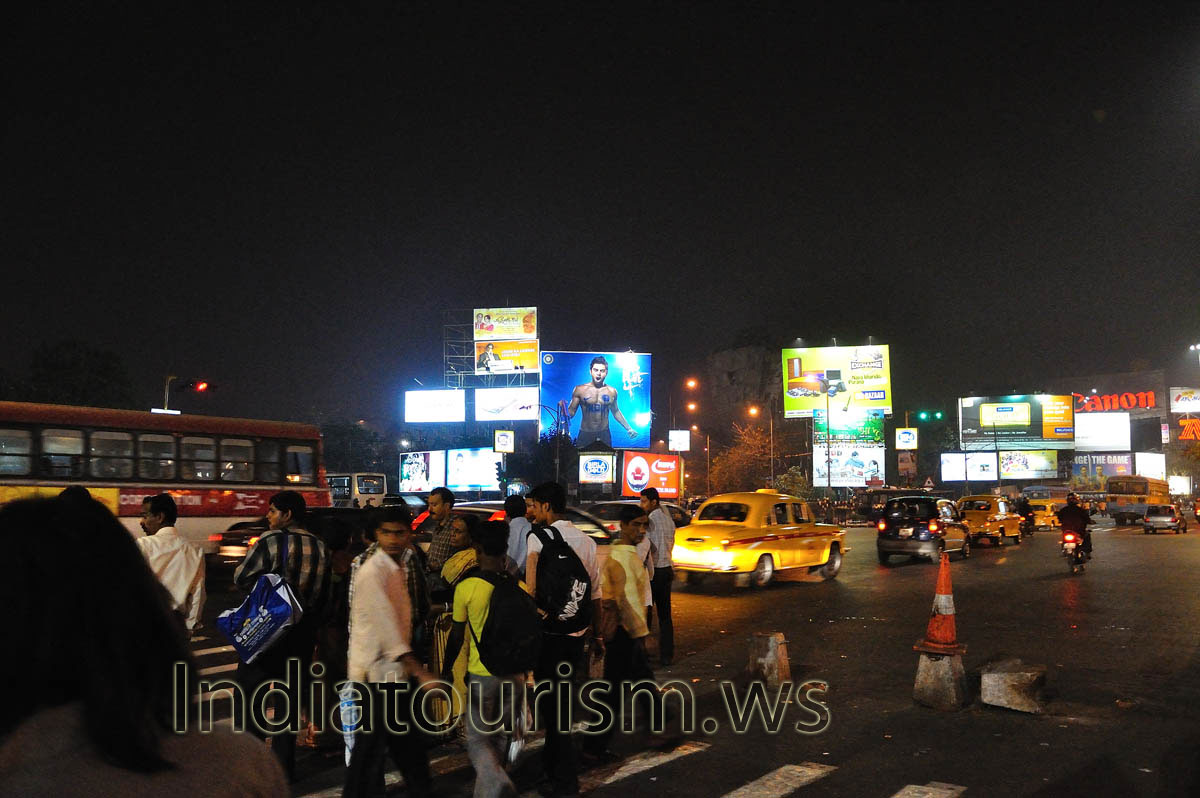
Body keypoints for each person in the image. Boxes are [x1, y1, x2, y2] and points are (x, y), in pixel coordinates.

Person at [0, 496, 287, 796]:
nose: (140, 520)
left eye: (145, 515)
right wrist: (186, 629)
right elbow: (197, 598)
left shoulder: (20, 774)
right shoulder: (242, 763)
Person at [234, 490, 332, 781]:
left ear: (287, 515)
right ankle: (283, 771)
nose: (268, 515)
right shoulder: (321, 547)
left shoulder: (269, 540)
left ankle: (251, 769)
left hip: (264, 634)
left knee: (251, 702)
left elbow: (241, 578)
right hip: (301, 636)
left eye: (273, 510)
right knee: (288, 706)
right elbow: (325, 598)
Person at [344, 506, 436, 798]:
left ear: (409, 534)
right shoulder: (373, 571)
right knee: (372, 753)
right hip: (377, 676)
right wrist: (419, 670)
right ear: (375, 534)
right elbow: (385, 624)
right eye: (386, 532)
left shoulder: (399, 566)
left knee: (402, 747)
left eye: (399, 532)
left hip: (393, 674)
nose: (393, 538)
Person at [441, 520, 533, 798]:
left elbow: (457, 636)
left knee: (478, 740)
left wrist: (446, 671)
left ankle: (498, 782)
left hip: (483, 675)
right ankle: (488, 792)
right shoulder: (520, 587)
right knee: (501, 736)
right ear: (504, 551)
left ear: (477, 549)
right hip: (514, 675)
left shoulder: (467, 588)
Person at [525, 481, 602, 798]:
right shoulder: (586, 541)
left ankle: (562, 777)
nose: (531, 511)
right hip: (575, 635)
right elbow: (595, 592)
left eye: (534, 506)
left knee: (550, 705)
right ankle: (553, 764)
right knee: (563, 703)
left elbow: (530, 591)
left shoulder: (537, 538)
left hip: (547, 634)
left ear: (546, 506)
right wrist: (597, 635)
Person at [583, 505, 654, 763]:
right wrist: (642, 635)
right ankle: (593, 746)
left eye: (645, 525)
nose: (641, 530)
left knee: (638, 683)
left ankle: (659, 727)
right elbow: (628, 602)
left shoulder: (625, 554)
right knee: (614, 693)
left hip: (625, 632)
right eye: (636, 525)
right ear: (623, 526)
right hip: (626, 633)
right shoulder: (625, 557)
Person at [137, 493, 205, 635]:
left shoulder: (143, 545)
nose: (141, 522)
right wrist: (190, 627)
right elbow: (198, 593)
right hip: (176, 626)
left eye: (145, 516)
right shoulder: (195, 550)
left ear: (160, 517)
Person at [565, 355, 637, 446]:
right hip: (585, 433)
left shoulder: (612, 391)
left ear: (606, 372)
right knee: (581, 459)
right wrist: (563, 409)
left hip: (604, 434)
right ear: (590, 371)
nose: (598, 373)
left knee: (606, 459)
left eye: (602, 371)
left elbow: (616, 412)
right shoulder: (580, 390)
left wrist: (629, 428)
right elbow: (571, 412)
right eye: (596, 370)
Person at [640, 488, 675, 667]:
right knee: (665, 616)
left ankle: (643, 653)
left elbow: (649, 548)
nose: (642, 505)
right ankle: (667, 655)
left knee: (646, 612)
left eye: (644, 501)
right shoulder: (669, 520)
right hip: (667, 568)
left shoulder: (650, 521)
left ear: (654, 502)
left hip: (654, 572)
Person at [426, 487, 457, 572]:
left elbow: (453, 560)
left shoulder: (455, 529)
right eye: (429, 504)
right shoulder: (438, 527)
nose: (430, 509)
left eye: (434, 505)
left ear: (446, 506)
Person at [1056, 492, 1093, 556]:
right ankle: (1087, 553)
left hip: (1067, 530)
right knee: (1087, 535)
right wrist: (1089, 521)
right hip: (1079, 530)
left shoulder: (1064, 510)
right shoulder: (1080, 510)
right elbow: (1087, 518)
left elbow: (1059, 518)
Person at [505, 494, 531, 578]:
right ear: (525, 509)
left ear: (507, 511)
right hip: (528, 580)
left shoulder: (505, 531)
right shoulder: (535, 529)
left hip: (507, 580)